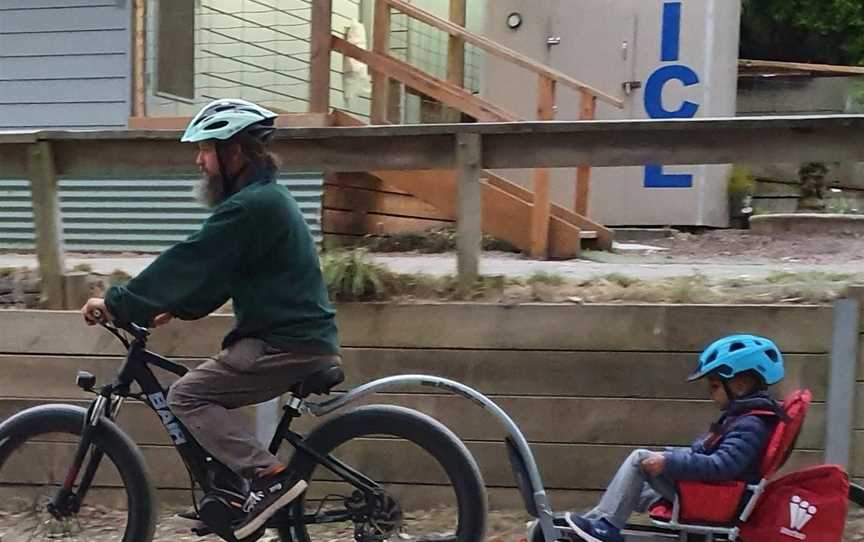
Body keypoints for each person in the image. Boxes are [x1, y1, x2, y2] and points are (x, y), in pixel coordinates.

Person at [81, 98, 340, 539]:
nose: (199, 160)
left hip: (284, 343)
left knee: (188, 396)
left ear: (234, 152)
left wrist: (120, 302)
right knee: (205, 386)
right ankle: (233, 496)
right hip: (293, 337)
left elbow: (190, 258)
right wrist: (173, 307)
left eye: (205, 149)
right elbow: (219, 274)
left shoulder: (249, 207)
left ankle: (268, 477)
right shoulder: (264, 201)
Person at [566, 334, 787, 542]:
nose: (710, 393)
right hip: (717, 494)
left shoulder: (750, 425)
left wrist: (670, 461)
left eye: (715, 386)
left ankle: (605, 527)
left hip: (718, 499)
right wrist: (671, 456)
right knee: (636, 484)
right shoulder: (740, 418)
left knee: (639, 459)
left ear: (738, 386)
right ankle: (595, 521)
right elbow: (709, 454)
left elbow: (721, 466)